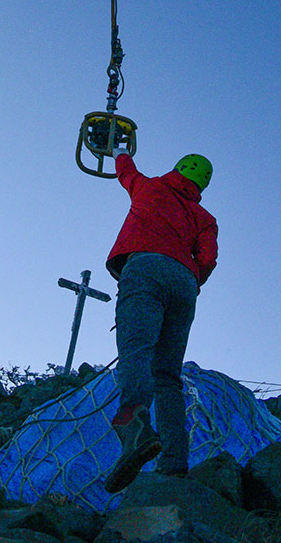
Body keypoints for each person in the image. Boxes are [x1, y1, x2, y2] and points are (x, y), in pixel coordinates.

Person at [103, 150, 218, 493]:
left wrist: (120, 151)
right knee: (167, 375)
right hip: (185, 283)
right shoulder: (205, 218)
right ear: (202, 184)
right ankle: (174, 464)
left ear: (178, 168)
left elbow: (125, 171)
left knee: (136, 351)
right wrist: (189, 279)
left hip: (146, 268)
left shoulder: (150, 187)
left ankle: (134, 427)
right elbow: (208, 259)